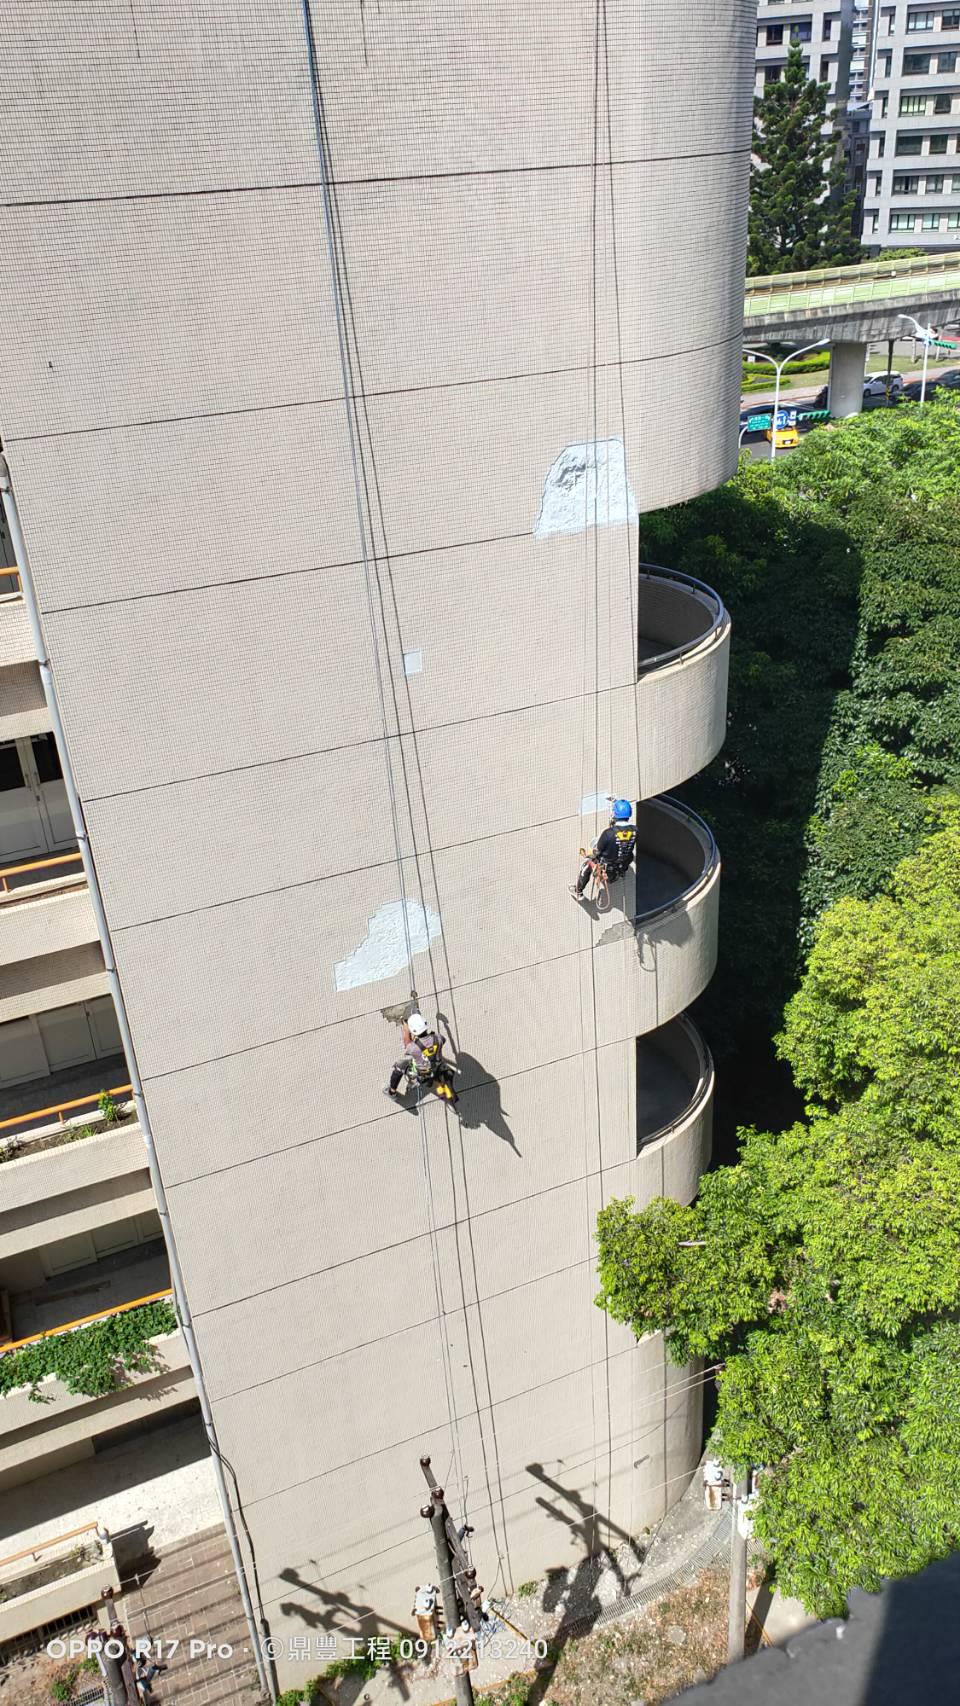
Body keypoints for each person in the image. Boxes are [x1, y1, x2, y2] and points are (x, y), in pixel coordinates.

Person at [572, 798, 637, 898]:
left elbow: (597, 850)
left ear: (615, 814)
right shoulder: (635, 830)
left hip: (607, 866)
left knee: (587, 864)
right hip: (622, 863)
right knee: (628, 855)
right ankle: (620, 873)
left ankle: (578, 891)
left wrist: (591, 854)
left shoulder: (608, 834)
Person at [386, 1012, 447, 1098]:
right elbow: (442, 1041)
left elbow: (406, 1042)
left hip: (422, 1074)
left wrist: (406, 1029)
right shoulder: (439, 1038)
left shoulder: (413, 1048)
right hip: (437, 1068)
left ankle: (392, 1092)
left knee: (399, 1066)